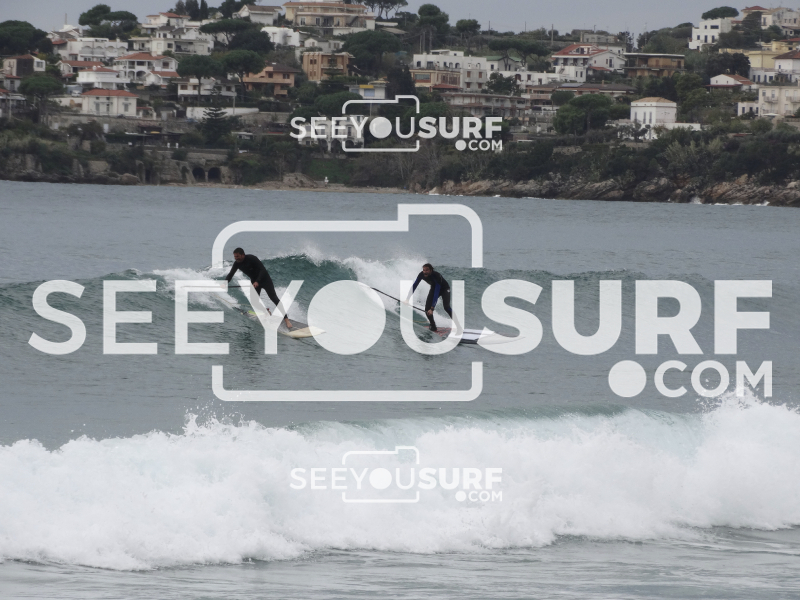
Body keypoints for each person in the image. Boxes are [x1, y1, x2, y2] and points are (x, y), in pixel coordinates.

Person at [225, 248, 292, 329]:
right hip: (254, 282)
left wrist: (257, 281)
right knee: (254, 302)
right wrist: (225, 283)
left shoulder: (252, 258)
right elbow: (231, 274)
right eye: (235, 257)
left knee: (274, 298)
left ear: (243, 255)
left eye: (237, 256)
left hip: (265, 280)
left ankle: (286, 319)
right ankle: (266, 312)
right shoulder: (237, 264)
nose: (236, 258)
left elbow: (262, 270)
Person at [406, 263, 453, 331]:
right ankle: (433, 325)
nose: (425, 272)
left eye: (427, 270)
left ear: (431, 270)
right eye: (424, 270)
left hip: (444, 289)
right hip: (433, 288)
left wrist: (432, 308)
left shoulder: (436, 275)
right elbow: (414, 286)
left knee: (446, 307)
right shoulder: (421, 274)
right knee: (427, 309)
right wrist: (407, 299)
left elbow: (436, 292)